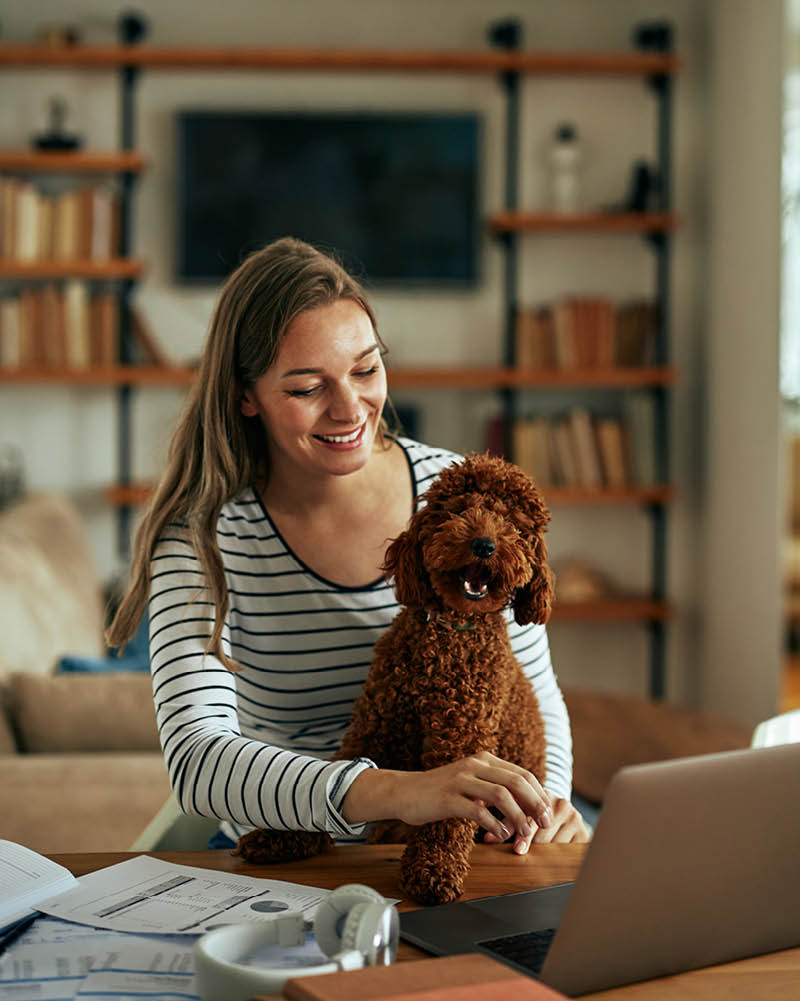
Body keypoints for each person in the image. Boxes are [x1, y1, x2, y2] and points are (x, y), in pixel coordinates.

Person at [107, 236, 588, 853]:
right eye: (307, 388)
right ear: (244, 397)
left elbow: (535, 686)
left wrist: (548, 803)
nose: (349, 408)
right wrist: (399, 792)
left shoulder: (454, 495)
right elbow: (200, 763)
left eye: (366, 369)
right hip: (298, 859)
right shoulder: (201, 538)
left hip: (475, 847)